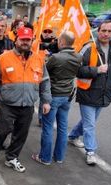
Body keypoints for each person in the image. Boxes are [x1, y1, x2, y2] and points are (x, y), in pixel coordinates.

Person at [0, 27, 52, 173]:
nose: (25, 42)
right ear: (16, 40)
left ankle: (12, 157)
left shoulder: (38, 59)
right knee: (2, 131)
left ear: (32, 41)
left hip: (28, 105)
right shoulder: (3, 59)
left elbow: (45, 82)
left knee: (21, 134)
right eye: (22, 39)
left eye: (28, 40)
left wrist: (46, 101)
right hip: (7, 104)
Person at [68, 20, 111, 165]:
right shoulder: (88, 48)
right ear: (98, 31)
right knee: (90, 125)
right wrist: (96, 70)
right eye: (103, 30)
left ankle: (73, 136)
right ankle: (90, 151)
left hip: (105, 95)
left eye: (109, 31)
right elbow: (76, 69)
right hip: (87, 93)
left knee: (90, 122)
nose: (106, 34)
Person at [32, 31, 82, 165]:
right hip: (67, 96)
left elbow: (45, 71)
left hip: (53, 95)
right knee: (63, 127)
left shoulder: (56, 58)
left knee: (48, 127)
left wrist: (47, 58)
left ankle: (45, 157)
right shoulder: (78, 57)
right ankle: (59, 157)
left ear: (62, 42)